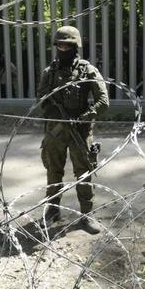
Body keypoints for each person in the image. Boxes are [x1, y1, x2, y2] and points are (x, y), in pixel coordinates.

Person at [37, 25, 109, 234]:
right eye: (59, 44)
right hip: (55, 130)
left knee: (84, 174)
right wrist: (54, 109)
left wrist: (84, 117)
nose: (63, 47)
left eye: (67, 45)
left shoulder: (88, 70)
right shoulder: (49, 72)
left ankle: (86, 215)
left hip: (80, 131)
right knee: (53, 171)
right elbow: (41, 99)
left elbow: (103, 101)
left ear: (75, 45)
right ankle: (52, 210)